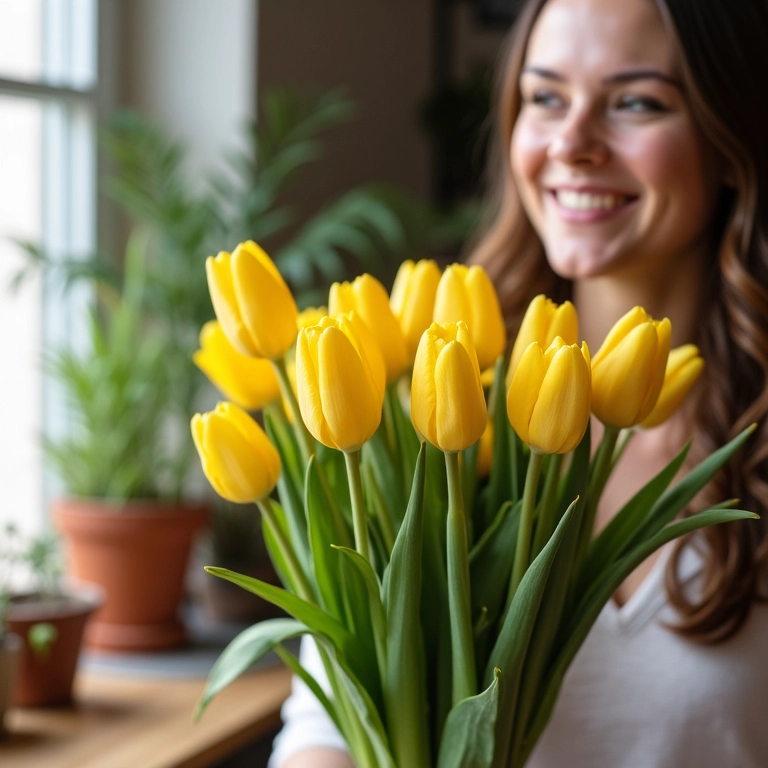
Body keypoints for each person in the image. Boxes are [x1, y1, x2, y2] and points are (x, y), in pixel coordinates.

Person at [270, 0, 768, 765]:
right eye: (545, 98)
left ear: (729, 137)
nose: (571, 144)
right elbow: (326, 730)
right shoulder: (432, 393)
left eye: (635, 101)